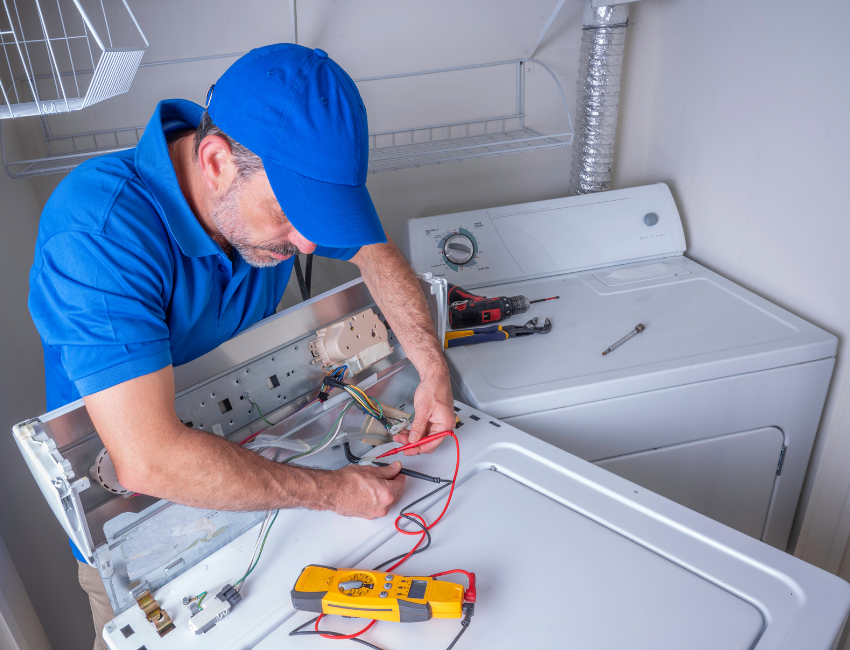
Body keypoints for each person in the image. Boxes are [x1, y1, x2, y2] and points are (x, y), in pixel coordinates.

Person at [28, 44, 454, 650]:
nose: (307, 244)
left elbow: (370, 251)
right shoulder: (98, 232)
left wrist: (430, 365)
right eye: (289, 215)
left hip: (261, 477)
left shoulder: (262, 199)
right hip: (145, 533)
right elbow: (147, 461)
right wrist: (334, 492)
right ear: (217, 161)